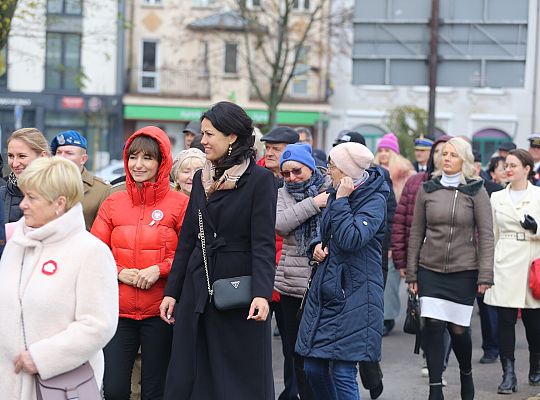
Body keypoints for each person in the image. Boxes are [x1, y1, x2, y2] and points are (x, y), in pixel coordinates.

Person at [159, 101, 277, 399]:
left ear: (232, 137)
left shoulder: (260, 180)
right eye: (202, 134)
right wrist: (172, 291)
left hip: (238, 292)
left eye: (210, 134)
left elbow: (263, 242)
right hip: (197, 288)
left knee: (236, 378)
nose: (203, 141)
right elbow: (188, 238)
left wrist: (262, 294)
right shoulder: (202, 177)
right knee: (191, 371)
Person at [0, 156, 118, 398]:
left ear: (59, 203)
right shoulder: (16, 245)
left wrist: (43, 357)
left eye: (32, 198)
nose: (22, 205)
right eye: (24, 196)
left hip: (61, 387)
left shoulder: (90, 251)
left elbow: (97, 325)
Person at [91, 126, 189, 399]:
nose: (138, 164)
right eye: (133, 157)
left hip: (160, 312)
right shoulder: (113, 203)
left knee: (155, 390)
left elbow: (188, 253)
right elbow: (94, 252)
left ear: (162, 162)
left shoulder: (180, 204)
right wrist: (120, 272)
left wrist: (159, 269)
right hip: (118, 312)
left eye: (147, 158)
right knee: (113, 389)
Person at [296, 142, 388, 400]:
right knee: (312, 366)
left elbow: (351, 239)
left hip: (356, 294)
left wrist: (342, 201)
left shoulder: (375, 198)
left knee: (343, 370)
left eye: (333, 167)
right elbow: (324, 232)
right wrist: (315, 246)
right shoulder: (336, 193)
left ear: (348, 172)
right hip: (327, 290)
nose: (328, 172)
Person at [406, 137, 494, 400]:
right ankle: (435, 388)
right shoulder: (428, 189)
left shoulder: (476, 191)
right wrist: (412, 272)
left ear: (464, 161)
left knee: (458, 330)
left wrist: (485, 274)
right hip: (430, 268)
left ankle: (465, 373)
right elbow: (416, 232)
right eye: (444, 154)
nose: (446, 158)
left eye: (453, 155)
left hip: (464, 269)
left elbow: (487, 235)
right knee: (432, 324)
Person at [392, 135, 453, 379]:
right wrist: (401, 259)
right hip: (420, 259)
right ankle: (431, 355)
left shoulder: (464, 186)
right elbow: (401, 222)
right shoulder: (416, 182)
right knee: (426, 315)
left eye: (447, 152)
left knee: (446, 317)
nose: (441, 157)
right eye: (438, 152)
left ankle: (440, 364)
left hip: (452, 261)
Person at [275, 143, 331, 399]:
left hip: (322, 284)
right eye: (285, 174)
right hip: (290, 286)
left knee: (320, 355)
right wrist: (313, 204)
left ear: (309, 166)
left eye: (296, 171)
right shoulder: (283, 193)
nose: (291, 178)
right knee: (294, 353)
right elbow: (280, 224)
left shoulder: (329, 187)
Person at [484, 149, 540, 394]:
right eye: (506, 165)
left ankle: (536, 366)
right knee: (505, 321)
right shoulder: (497, 198)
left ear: (527, 169)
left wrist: (536, 229)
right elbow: (491, 234)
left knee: (534, 323)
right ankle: (508, 374)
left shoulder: (539, 195)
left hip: (531, 259)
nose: (508, 169)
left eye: (514, 165)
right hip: (505, 258)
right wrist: (488, 266)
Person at [258, 125, 301, 400]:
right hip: (260, 273)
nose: (270, 152)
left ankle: (291, 394)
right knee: (255, 346)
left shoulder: (299, 179)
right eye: (268, 147)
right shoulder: (254, 177)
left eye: (277, 148)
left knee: (292, 345)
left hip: (289, 275)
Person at [374, 132, 415, 336]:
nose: (382, 154)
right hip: (383, 230)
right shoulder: (374, 173)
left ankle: (388, 317)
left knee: (392, 277)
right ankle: (381, 315)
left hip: (401, 231)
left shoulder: (406, 175)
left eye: (387, 150)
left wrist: (393, 243)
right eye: (380, 150)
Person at [50, 130, 111, 230]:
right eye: (59, 152)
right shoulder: (45, 183)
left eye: (69, 153)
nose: (62, 157)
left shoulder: (102, 190)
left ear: (83, 159)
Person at [1, 128, 50, 223]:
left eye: (22, 156)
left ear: (43, 156)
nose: (14, 164)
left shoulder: (60, 195)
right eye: (11, 156)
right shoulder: (1, 195)